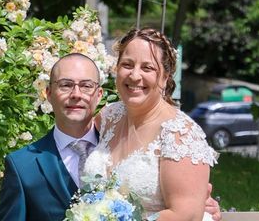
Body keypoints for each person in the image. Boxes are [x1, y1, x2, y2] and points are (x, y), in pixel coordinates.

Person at [0, 52, 222, 221]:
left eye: (86, 86)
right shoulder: (21, 166)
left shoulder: (118, 138)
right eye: (65, 85)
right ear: (48, 93)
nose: (76, 94)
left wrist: (200, 208)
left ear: (99, 94)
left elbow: (179, 199)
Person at [83, 27, 219, 221]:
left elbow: (185, 215)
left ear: (165, 78)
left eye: (147, 68)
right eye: (127, 64)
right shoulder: (108, 116)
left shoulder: (180, 135)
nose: (135, 75)